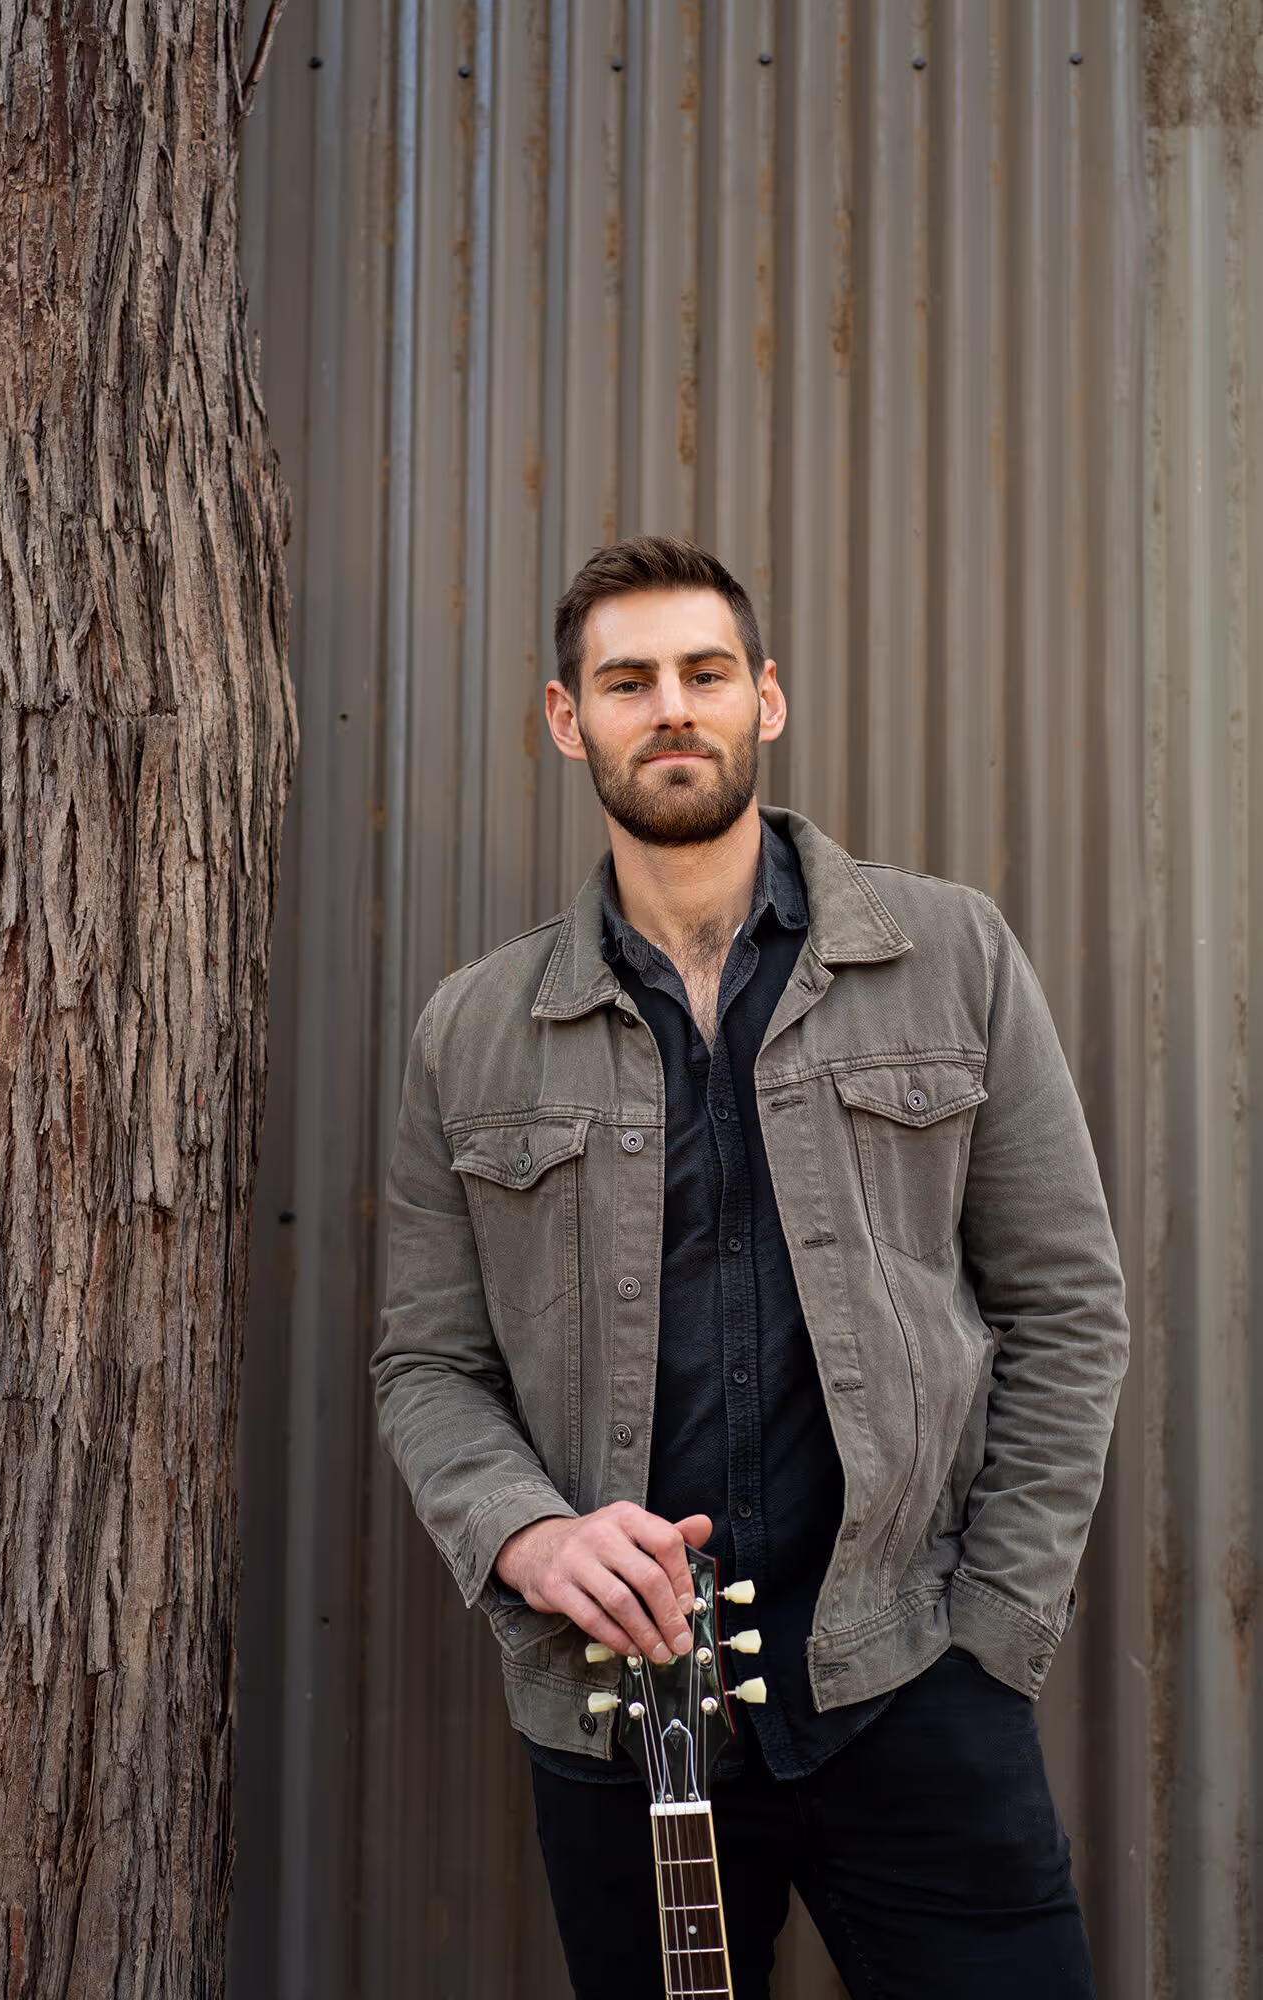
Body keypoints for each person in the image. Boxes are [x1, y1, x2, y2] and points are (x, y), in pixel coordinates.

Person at [373, 535, 1128, 1999]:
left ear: (764, 700)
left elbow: (1064, 1305)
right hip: (616, 1711)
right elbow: (429, 1363)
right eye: (627, 680)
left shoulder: (948, 956)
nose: (671, 708)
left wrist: (994, 1631)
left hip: (912, 1679)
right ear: (563, 716)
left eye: (704, 673)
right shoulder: (471, 1031)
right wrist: (525, 1536)